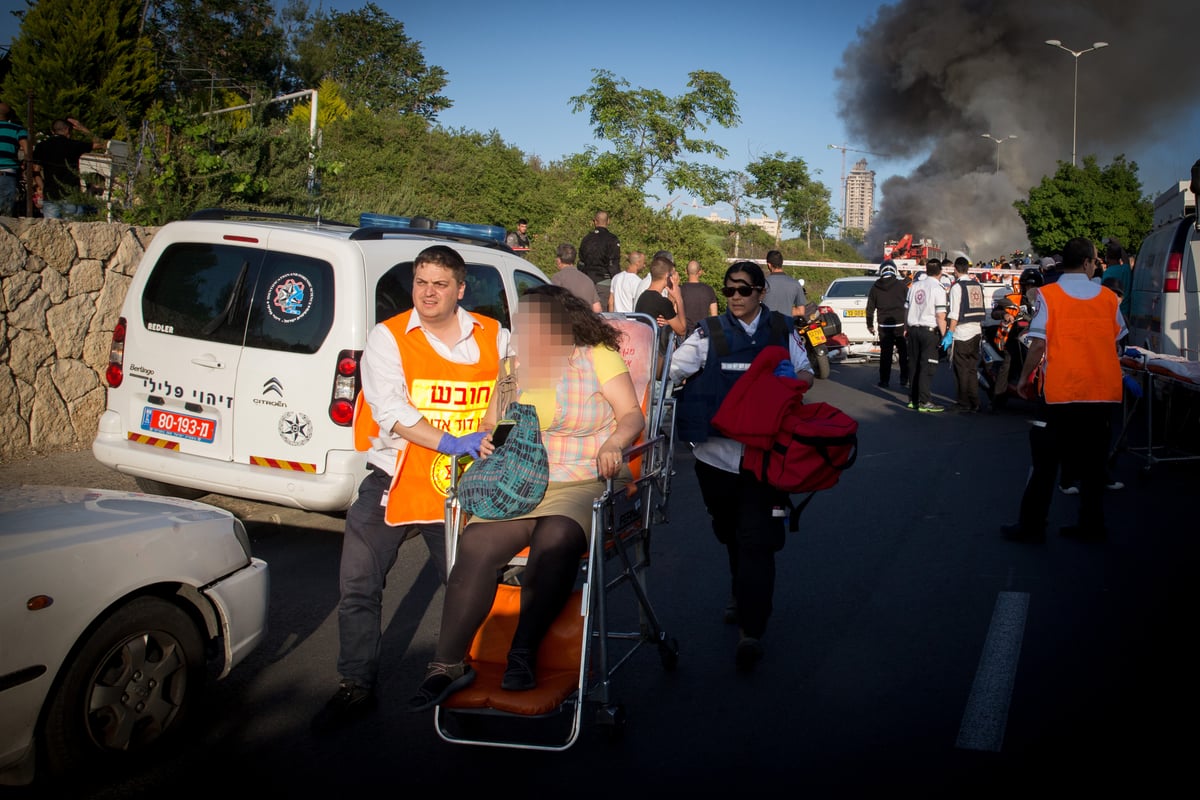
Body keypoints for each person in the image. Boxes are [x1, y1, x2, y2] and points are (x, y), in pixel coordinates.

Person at [407, 285, 644, 709]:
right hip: (518, 481)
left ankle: (523, 651)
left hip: (579, 477)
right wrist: (487, 443)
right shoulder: (514, 367)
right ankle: (446, 665)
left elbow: (631, 414)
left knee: (556, 540)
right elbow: (498, 423)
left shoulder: (595, 357)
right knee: (477, 544)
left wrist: (616, 443)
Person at [313, 244, 508, 733]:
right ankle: (355, 684)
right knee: (359, 585)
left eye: (440, 284)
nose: (428, 293)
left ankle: (464, 675)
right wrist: (449, 440)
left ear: (460, 290)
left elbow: (512, 387)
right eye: (421, 282)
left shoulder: (495, 336)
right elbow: (391, 410)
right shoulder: (388, 336)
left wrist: (487, 428)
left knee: (468, 587)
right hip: (393, 478)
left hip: (462, 484)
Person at [669, 261, 814, 671]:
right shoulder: (708, 333)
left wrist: (789, 380)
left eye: (744, 289)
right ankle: (740, 588)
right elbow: (672, 370)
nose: (735, 296)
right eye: (729, 289)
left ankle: (752, 629)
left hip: (764, 460)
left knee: (757, 540)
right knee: (729, 531)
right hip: (714, 458)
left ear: (761, 291)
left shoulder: (783, 330)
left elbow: (805, 372)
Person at [1001, 237, 1126, 543]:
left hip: (1061, 393)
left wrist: (1023, 378)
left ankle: (1032, 528)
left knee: (1044, 465)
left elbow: (1039, 342)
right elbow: (1118, 340)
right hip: (1101, 393)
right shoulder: (1108, 297)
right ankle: (1091, 526)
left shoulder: (1049, 294)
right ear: (1087, 262)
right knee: (1094, 466)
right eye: (1095, 260)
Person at [32, 118, 105, 219]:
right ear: (67, 130)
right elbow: (100, 144)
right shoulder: (73, 145)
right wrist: (82, 128)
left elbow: (35, 171)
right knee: (73, 229)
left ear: (53, 131)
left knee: (51, 230)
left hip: (50, 196)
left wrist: (43, 188)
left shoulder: (41, 146)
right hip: (71, 195)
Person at [904, 258, 948, 412]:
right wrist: (946, 335)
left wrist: (905, 327)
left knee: (914, 365)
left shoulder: (915, 286)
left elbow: (907, 309)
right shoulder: (938, 288)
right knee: (927, 366)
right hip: (929, 332)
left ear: (926, 270)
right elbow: (940, 315)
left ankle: (914, 400)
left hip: (913, 330)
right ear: (940, 272)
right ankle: (925, 401)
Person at [944, 256, 986, 412]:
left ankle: (963, 403)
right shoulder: (977, 285)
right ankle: (975, 402)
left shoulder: (957, 287)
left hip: (962, 333)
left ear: (955, 270)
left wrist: (949, 333)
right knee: (971, 369)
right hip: (976, 332)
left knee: (961, 370)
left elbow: (954, 314)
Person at [865, 259, 910, 389]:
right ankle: (904, 378)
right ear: (894, 271)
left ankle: (884, 381)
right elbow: (909, 305)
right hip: (900, 324)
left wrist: (869, 324)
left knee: (886, 354)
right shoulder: (902, 286)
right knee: (903, 353)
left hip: (884, 327)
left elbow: (870, 308)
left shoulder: (875, 287)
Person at [578, 211, 621, 310]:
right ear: (608, 221)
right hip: (605, 281)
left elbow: (581, 263)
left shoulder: (586, 239)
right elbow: (613, 264)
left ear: (594, 222)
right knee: (602, 316)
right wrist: (617, 281)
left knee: (587, 313)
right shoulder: (612, 239)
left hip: (587, 281)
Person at [551, 241, 602, 312]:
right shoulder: (587, 279)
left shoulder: (557, 278)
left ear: (559, 260)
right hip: (586, 321)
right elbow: (597, 308)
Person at [0, 102, 31, 217]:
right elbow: (28, 152)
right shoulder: (17, 129)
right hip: (7, 175)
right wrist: (24, 165)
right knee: (5, 215)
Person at [762, 250, 807, 317]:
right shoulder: (795, 284)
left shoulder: (763, 284)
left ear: (769, 265)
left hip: (767, 326)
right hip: (787, 325)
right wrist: (786, 310)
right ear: (782, 263)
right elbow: (801, 311)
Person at [680, 259, 718, 333]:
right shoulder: (709, 290)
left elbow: (675, 313)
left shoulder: (680, 290)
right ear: (700, 272)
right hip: (703, 331)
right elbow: (714, 316)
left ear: (685, 271)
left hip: (685, 333)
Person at [1099, 239, 1132, 322]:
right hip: (1127, 312)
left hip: (1114, 314)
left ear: (1107, 257)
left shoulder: (1108, 273)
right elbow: (1126, 259)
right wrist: (1118, 245)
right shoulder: (1126, 269)